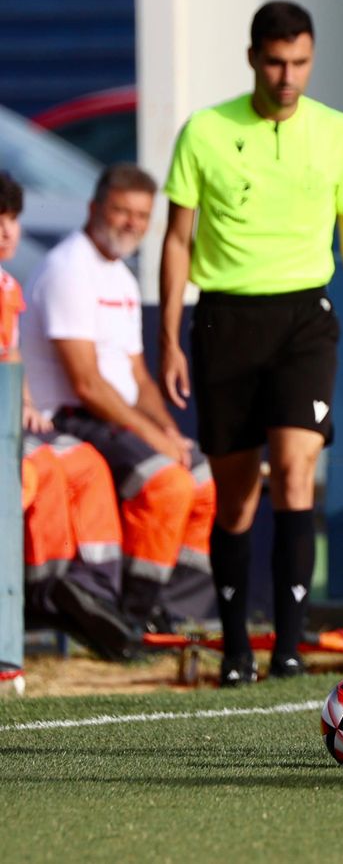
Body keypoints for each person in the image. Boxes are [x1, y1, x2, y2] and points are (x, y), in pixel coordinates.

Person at [159, 0, 343, 686]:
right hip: (224, 318)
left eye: (299, 62)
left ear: (311, 58)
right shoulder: (204, 130)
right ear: (253, 58)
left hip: (304, 320)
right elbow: (176, 239)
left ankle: (288, 647)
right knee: (235, 496)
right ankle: (236, 648)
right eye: (275, 62)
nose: (287, 76)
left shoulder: (337, 132)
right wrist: (172, 338)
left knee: (295, 472)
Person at [24, 165, 218, 638]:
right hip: (69, 418)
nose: (132, 223)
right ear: (94, 208)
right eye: (121, 211)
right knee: (166, 484)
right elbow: (86, 383)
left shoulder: (122, 279)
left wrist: (167, 431)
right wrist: (152, 438)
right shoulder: (69, 268)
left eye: (141, 215)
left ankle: (172, 612)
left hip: (112, 417)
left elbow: (136, 375)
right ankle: (129, 614)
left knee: (202, 479)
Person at [1, 172, 136, 660]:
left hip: (10, 426)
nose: (7, 231)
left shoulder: (8, 287)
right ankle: (38, 596)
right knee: (39, 472)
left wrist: (26, 406)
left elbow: (10, 357)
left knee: (86, 464)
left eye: (12, 218)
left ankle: (90, 593)